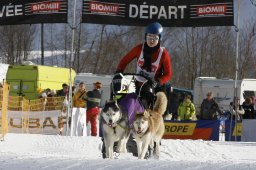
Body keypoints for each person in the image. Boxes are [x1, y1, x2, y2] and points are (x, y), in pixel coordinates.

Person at [115, 22, 172, 110]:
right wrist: (119, 71)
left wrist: (158, 81)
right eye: (149, 37)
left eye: (155, 38)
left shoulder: (163, 54)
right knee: (121, 93)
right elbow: (125, 60)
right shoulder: (139, 49)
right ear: (145, 37)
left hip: (152, 85)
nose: (151, 40)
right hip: (137, 81)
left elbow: (168, 74)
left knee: (148, 102)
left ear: (159, 39)